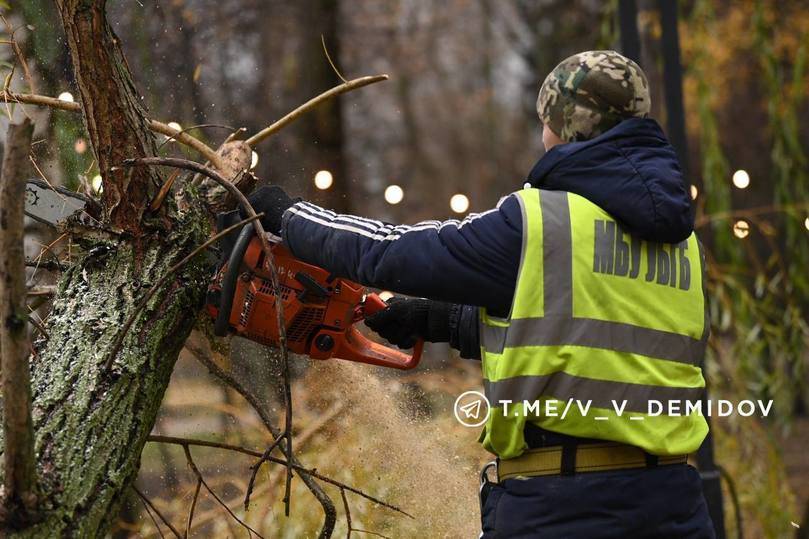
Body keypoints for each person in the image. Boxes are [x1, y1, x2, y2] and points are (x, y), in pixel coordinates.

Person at [244, 50, 715, 538]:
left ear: (568, 125)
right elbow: (590, 337)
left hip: (564, 509)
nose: (543, 137)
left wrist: (288, 216)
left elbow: (397, 252)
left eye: (545, 122)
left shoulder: (540, 222)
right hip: (675, 504)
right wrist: (437, 319)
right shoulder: (683, 245)